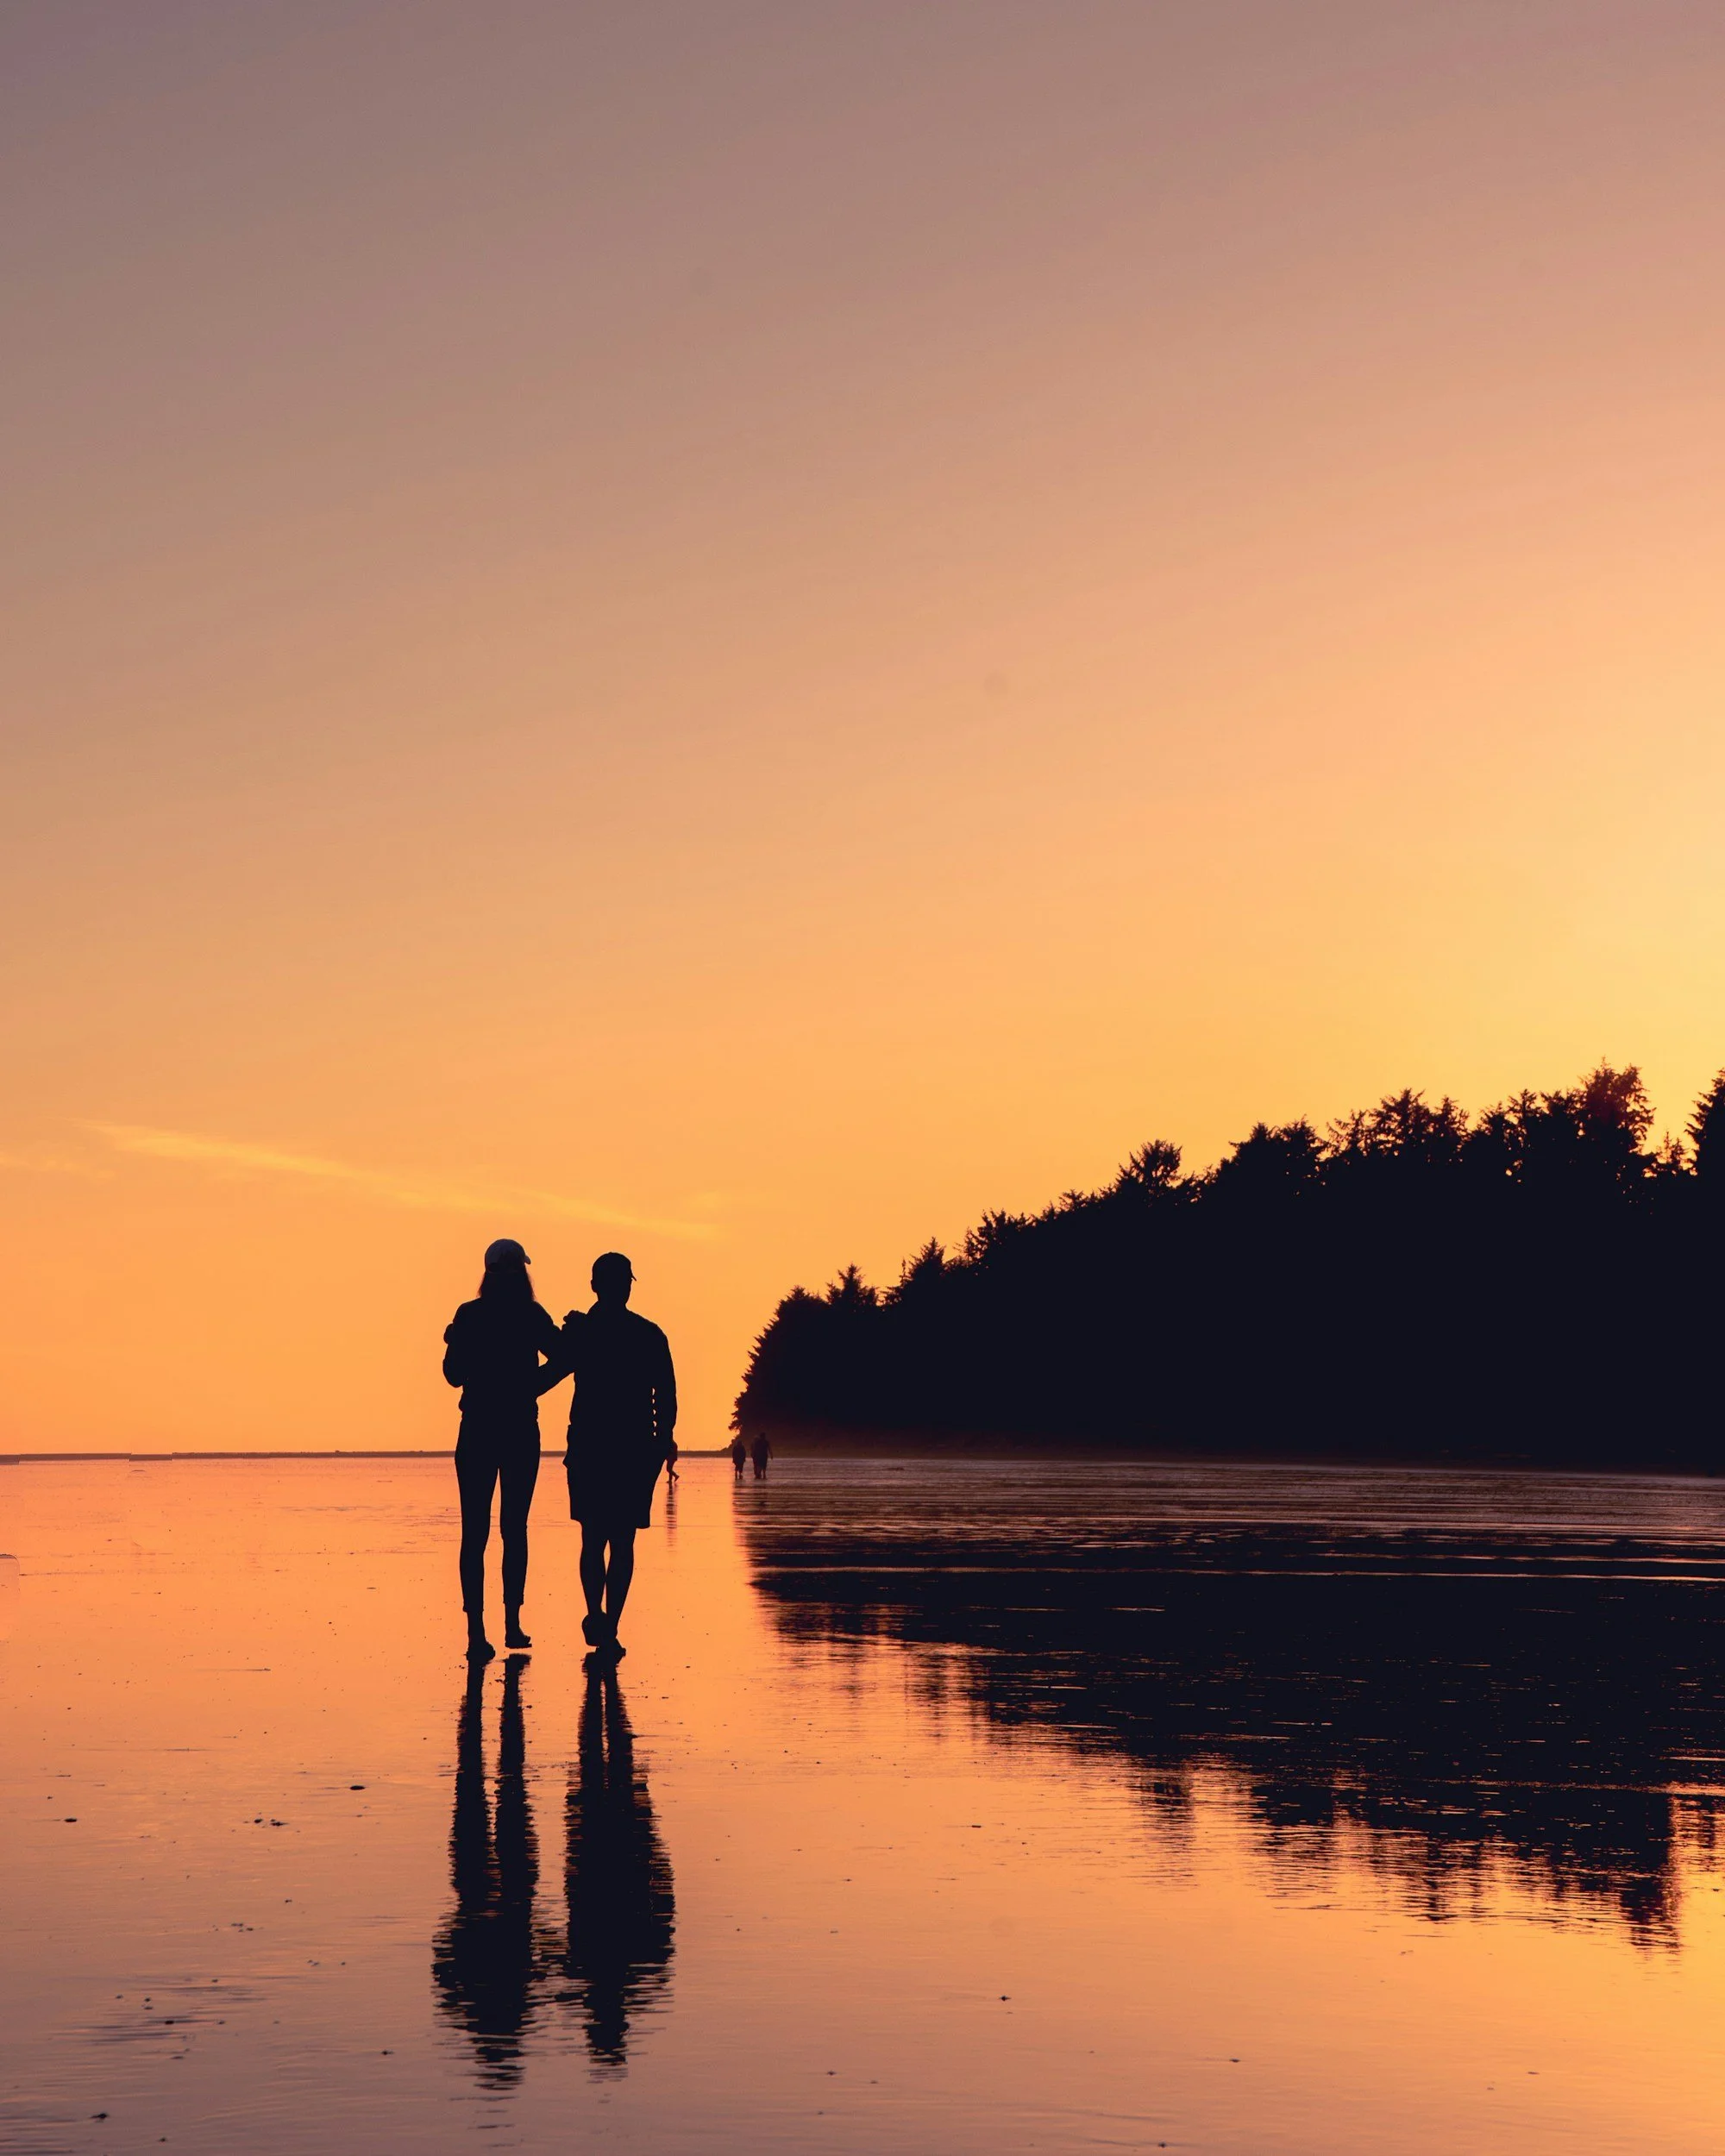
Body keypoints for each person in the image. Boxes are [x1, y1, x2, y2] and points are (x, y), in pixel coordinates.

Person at [442, 1238, 564, 1661]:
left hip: (476, 1429)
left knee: (474, 1533)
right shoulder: (531, 1314)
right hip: (517, 1430)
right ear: (520, 1271)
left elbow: (452, 1376)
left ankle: (477, 1632)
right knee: (514, 1529)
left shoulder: (469, 1315)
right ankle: (511, 1623)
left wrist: (455, 1341)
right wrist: (530, 1386)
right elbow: (566, 1358)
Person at [560, 1253, 677, 1661]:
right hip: (626, 1451)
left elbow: (665, 1396)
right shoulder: (646, 1334)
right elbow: (667, 1398)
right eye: (622, 1282)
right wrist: (662, 1443)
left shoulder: (588, 1332)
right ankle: (606, 1623)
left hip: (603, 1450)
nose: (623, 1288)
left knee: (596, 1538)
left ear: (595, 1285)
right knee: (616, 1541)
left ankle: (601, 1618)